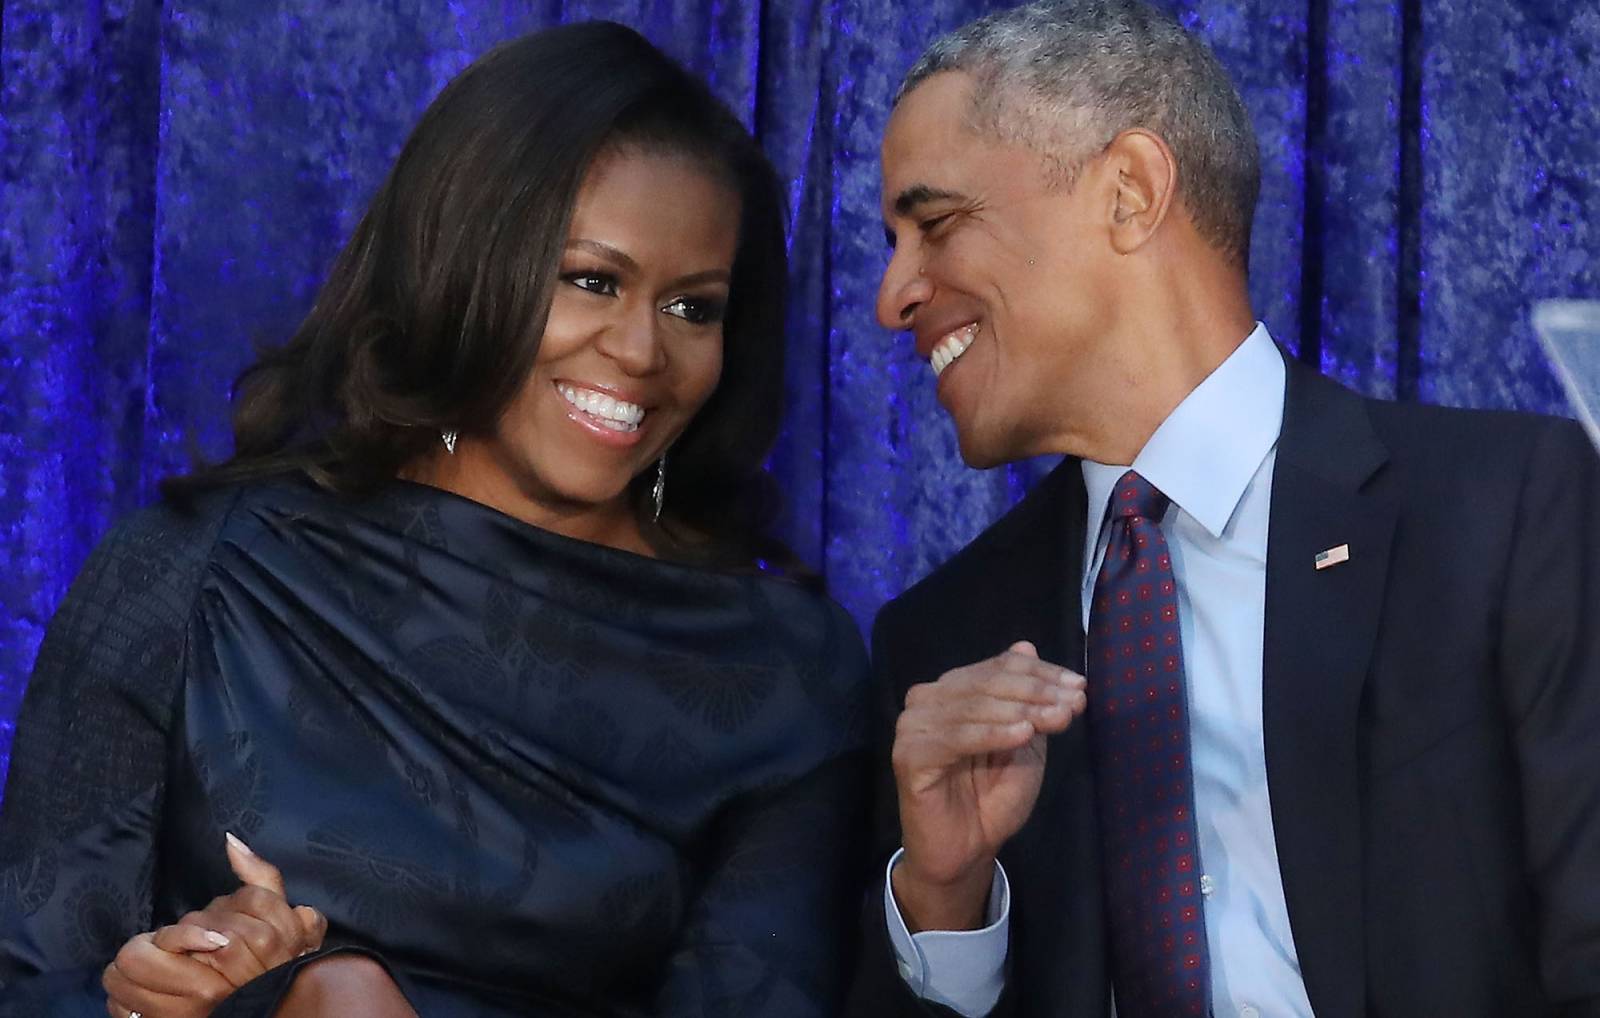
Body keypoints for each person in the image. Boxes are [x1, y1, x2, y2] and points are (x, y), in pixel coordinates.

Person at [0, 22, 874, 1017]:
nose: (640, 350)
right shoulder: (197, 570)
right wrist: (175, 1000)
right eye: (592, 281)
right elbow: (29, 980)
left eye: (693, 308)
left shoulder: (783, 670)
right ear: (462, 265)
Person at [843, 2, 1600, 1017]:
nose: (892, 295)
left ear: (1129, 192)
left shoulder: (1506, 514)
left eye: (933, 224)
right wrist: (944, 899)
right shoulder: (942, 643)